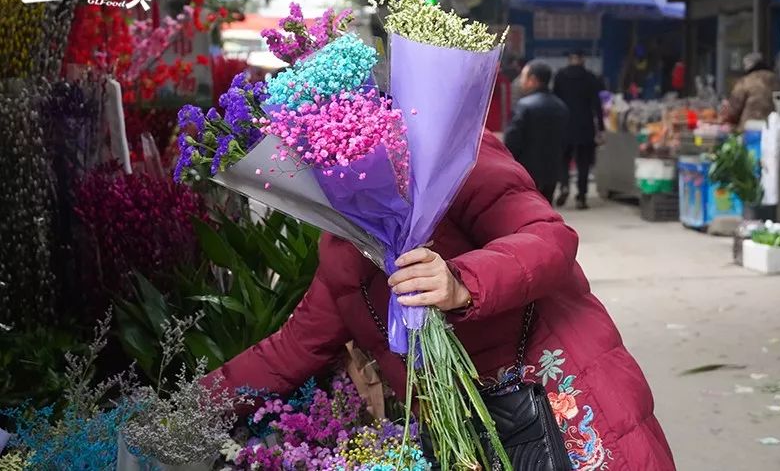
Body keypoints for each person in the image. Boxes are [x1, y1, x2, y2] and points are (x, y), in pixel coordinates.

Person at [205, 131, 676, 471]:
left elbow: (549, 238)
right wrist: (186, 410)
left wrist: (461, 281)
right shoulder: (342, 248)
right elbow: (290, 350)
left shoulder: (455, 154)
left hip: (560, 401)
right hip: (469, 437)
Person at [504, 60, 569, 203]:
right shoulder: (561, 106)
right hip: (552, 172)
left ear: (532, 80)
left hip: (526, 173)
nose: (520, 81)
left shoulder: (524, 106)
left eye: (523, 76)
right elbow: (565, 142)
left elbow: (511, 142)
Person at [553, 49, 605, 210]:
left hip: (564, 124)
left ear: (569, 59)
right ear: (583, 60)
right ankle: (581, 197)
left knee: (563, 159)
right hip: (585, 125)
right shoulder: (590, 78)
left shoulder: (560, 76)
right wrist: (601, 128)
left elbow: (555, 101)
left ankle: (564, 186)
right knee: (583, 162)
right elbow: (597, 105)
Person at [723, 52, 780, 132]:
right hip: (774, 128)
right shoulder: (777, 80)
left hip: (750, 129)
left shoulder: (746, 81)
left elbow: (733, 109)